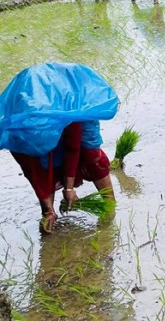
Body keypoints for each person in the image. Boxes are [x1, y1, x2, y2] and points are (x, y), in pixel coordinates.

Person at [0, 63, 119, 233]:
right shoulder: (14, 133)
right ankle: (49, 212)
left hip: (73, 97)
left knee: (91, 155)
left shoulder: (66, 116)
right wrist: (47, 210)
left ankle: (109, 200)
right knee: (41, 165)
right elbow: (33, 172)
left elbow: (72, 148)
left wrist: (69, 188)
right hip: (30, 115)